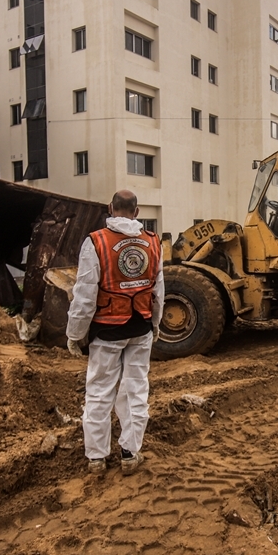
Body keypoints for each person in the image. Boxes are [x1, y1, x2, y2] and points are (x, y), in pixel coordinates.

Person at [66, 190, 164, 475]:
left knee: (99, 392)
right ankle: (130, 454)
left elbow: (85, 293)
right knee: (136, 389)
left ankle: (97, 458)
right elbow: (158, 290)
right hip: (141, 327)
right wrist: (155, 324)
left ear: (110, 208)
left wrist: (75, 334)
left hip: (108, 329)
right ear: (137, 212)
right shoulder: (153, 241)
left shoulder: (96, 241)